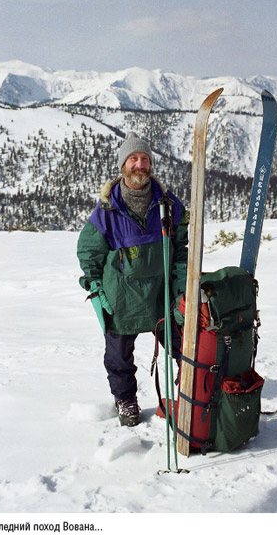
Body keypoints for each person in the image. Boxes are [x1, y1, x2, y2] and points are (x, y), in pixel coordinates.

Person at [77, 132, 188, 427]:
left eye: (145, 159)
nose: (140, 164)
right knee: (118, 356)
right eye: (133, 159)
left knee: (183, 344)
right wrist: (98, 289)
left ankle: (188, 393)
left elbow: (181, 250)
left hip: (161, 292)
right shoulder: (107, 209)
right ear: (123, 165)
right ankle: (126, 399)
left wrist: (181, 287)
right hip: (122, 295)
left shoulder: (169, 205)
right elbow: (88, 251)